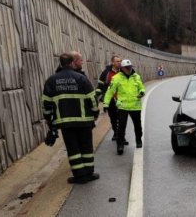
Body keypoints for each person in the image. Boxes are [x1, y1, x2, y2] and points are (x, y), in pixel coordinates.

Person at [41, 52, 100, 184]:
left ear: (60, 63)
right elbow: (92, 98)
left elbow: (46, 102)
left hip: (65, 122)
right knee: (86, 147)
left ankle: (80, 176)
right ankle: (89, 173)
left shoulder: (52, 80)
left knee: (73, 149)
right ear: (72, 63)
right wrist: (95, 113)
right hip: (84, 121)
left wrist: (48, 118)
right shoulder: (81, 78)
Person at [103, 59, 146, 155]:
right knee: (121, 127)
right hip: (123, 107)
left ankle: (138, 141)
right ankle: (120, 145)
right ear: (122, 68)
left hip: (135, 106)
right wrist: (106, 104)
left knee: (137, 126)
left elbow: (142, 87)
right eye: (127, 68)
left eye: (130, 67)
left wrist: (142, 92)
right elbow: (110, 92)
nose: (129, 69)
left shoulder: (136, 77)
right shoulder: (116, 78)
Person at [95, 56, 128, 143]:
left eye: (120, 61)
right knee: (113, 118)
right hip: (110, 99)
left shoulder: (124, 72)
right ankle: (115, 132)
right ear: (113, 62)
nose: (120, 63)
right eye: (118, 61)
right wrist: (98, 94)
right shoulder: (106, 73)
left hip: (122, 98)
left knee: (122, 118)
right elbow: (100, 84)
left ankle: (122, 136)